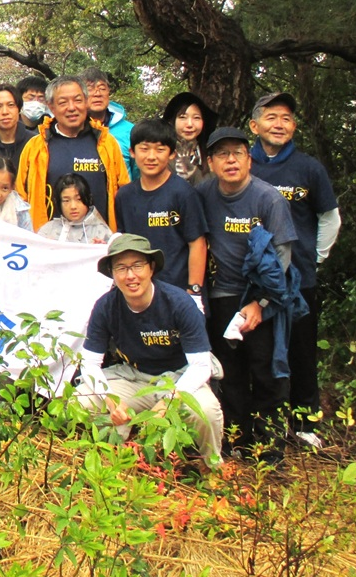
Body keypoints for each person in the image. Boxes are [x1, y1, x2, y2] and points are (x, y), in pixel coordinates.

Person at [196, 126, 298, 464]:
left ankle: (270, 452)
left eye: (237, 153)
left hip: (262, 298)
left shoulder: (268, 198)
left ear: (249, 159)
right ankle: (239, 442)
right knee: (230, 373)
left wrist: (262, 303)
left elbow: (283, 257)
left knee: (267, 373)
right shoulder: (204, 192)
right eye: (222, 154)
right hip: (222, 295)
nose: (230, 160)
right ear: (210, 162)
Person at [77, 234, 223, 466]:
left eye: (137, 266)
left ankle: (211, 468)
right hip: (134, 377)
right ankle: (112, 463)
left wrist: (167, 402)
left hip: (179, 377)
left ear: (152, 268)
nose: (130, 275)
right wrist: (111, 400)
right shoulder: (106, 306)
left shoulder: (179, 303)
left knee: (205, 411)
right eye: (121, 268)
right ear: (113, 274)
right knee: (81, 401)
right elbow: (90, 362)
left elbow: (201, 365)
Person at [249, 92, 341, 448]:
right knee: (257, 350)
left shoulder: (309, 168)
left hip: (299, 277)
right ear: (255, 125)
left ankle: (305, 422)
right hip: (253, 281)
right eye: (272, 117)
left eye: (286, 118)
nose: (279, 124)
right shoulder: (245, 165)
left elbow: (329, 217)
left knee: (301, 348)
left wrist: (314, 257)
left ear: (294, 126)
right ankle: (255, 421)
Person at [16, 75, 129, 232]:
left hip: (99, 243)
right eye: (63, 102)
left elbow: (123, 193)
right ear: (51, 107)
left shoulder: (106, 143)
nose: (71, 107)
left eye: (77, 100)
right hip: (50, 243)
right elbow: (21, 197)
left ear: (86, 101)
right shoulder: (36, 147)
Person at [115, 119, 208, 298]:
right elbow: (121, 241)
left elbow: (197, 244)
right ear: (132, 152)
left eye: (160, 149)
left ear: (172, 154)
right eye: (144, 148)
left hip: (179, 291)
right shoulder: (124, 196)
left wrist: (194, 290)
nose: (151, 156)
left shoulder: (184, 193)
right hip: (138, 294)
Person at [81, 67, 136, 179]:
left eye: (102, 88)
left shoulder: (130, 131)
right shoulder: (72, 130)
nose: (97, 94)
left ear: (108, 92)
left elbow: (139, 175)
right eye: (90, 89)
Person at [37, 173, 113, 244]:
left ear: (88, 199)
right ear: (58, 202)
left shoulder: (102, 232)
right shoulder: (47, 231)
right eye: (66, 200)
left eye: (79, 199)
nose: (73, 206)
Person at [162, 92, 218, 186]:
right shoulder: (162, 155)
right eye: (183, 117)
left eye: (196, 118)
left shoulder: (212, 154)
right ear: (172, 121)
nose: (189, 124)